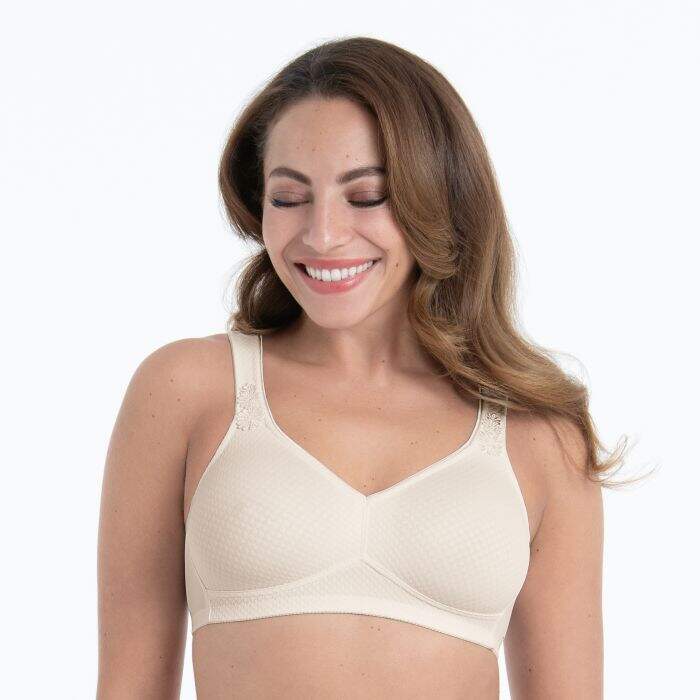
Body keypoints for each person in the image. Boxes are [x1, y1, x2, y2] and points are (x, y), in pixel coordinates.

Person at [97, 36, 625, 699]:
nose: (322, 235)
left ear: (440, 198)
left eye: (367, 195)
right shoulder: (188, 390)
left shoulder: (540, 433)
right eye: (289, 198)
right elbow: (128, 686)